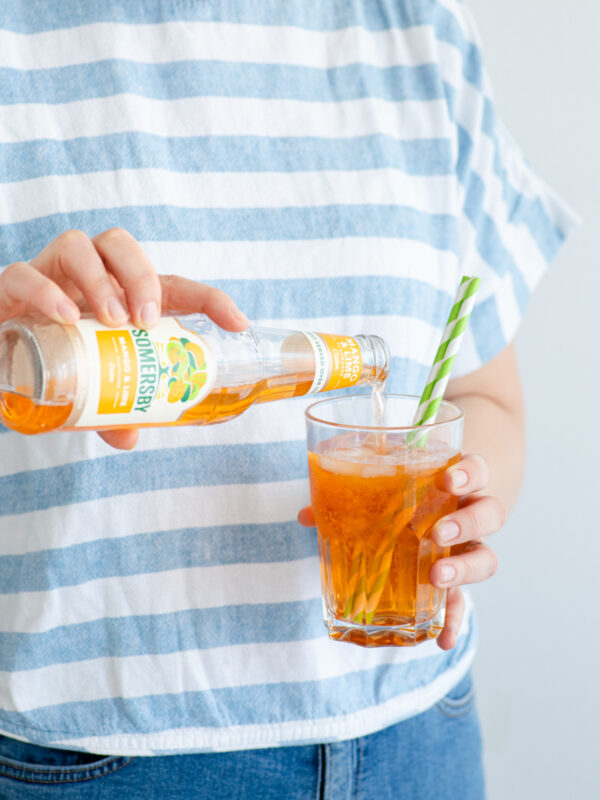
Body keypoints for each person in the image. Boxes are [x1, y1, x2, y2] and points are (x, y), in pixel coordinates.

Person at [0, 1, 577, 798]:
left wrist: (456, 509)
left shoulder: (417, 28)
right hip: (93, 759)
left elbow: (480, 395)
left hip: (417, 739)